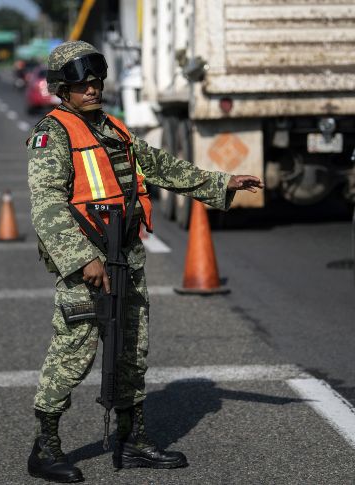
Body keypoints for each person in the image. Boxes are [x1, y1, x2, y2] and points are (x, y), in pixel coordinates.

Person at [25, 40, 263, 483]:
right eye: (82, 85)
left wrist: (222, 182)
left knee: (132, 350)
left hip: (125, 260)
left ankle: (132, 441)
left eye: (96, 81)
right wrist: (81, 260)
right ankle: (46, 447)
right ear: (62, 88)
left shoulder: (113, 129)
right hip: (88, 266)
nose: (92, 90)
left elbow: (161, 166)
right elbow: (47, 206)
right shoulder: (51, 134)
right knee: (72, 354)